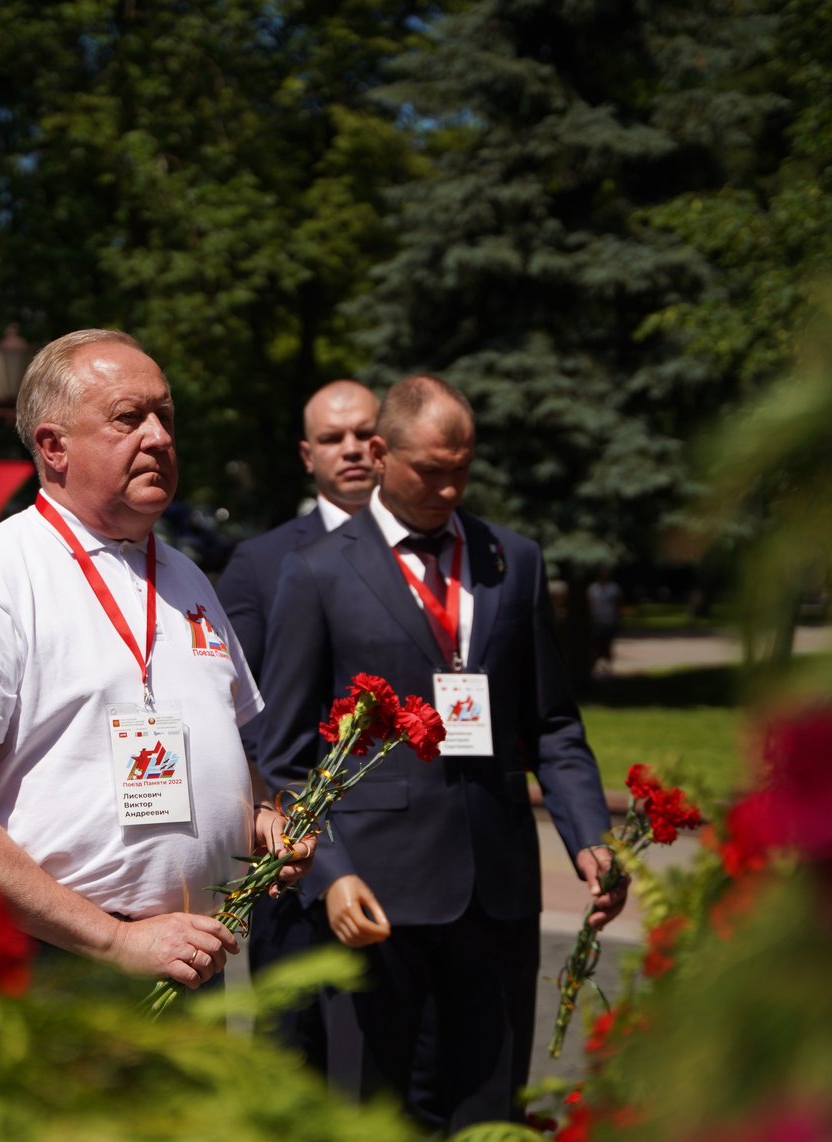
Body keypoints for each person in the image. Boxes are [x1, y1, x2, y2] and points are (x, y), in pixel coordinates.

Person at [256, 375, 624, 1132]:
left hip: (496, 892)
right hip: (375, 894)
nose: (449, 487)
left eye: (463, 467)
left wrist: (588, 833)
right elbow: (286, 753)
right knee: (374, 1111)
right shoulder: (320, 571)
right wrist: (329, 872)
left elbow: (550, 720)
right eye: (431, 469)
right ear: (383, 454)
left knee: (486, 1113)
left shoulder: (510, 559)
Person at [0, 329, 310, 988]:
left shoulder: (188, 576)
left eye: (166, 416)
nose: (159, 437)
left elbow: (229, 753)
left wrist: (262, 822)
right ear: (52, 447)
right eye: (129, 418)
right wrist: (115, 941)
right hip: (60, 967)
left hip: (197, 951)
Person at [214, 378, 379, 1064]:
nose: (352, 451)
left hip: (409, 849)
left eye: (365, 435)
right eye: (332, 439)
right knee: (295, 1054)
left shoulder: (437, 557)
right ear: (306, 455)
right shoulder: (261, 562)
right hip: (299, 851)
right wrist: (293, 820)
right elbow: (238, 706)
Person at [587, 567, 624, 675]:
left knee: (608, 643)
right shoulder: (593, 588)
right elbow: (590, 604)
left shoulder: (613, 588)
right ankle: (597, 665)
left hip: (609, 619)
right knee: (596, 644)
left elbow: (618, 604)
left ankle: (608, 665)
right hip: (597, 620)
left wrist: (618, 617)